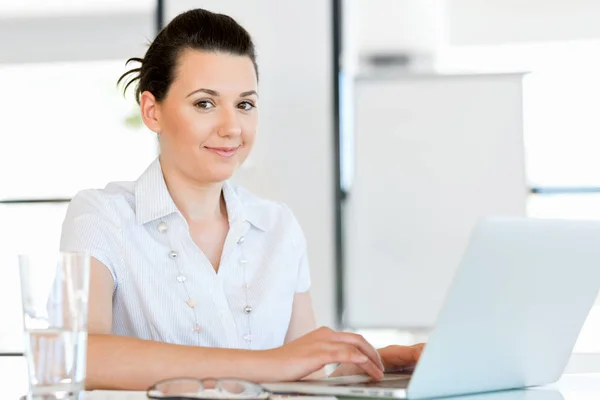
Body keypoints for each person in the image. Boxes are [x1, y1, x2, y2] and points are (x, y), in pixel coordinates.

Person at [60, 8, 423, 391]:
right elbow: (84, 356)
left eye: (245, 104)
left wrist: (365, 361)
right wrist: (268, 363)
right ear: (152, 111)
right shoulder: (101, 217)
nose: (231, 127)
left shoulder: (278, 226)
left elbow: (303, 375)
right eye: (204, 103)